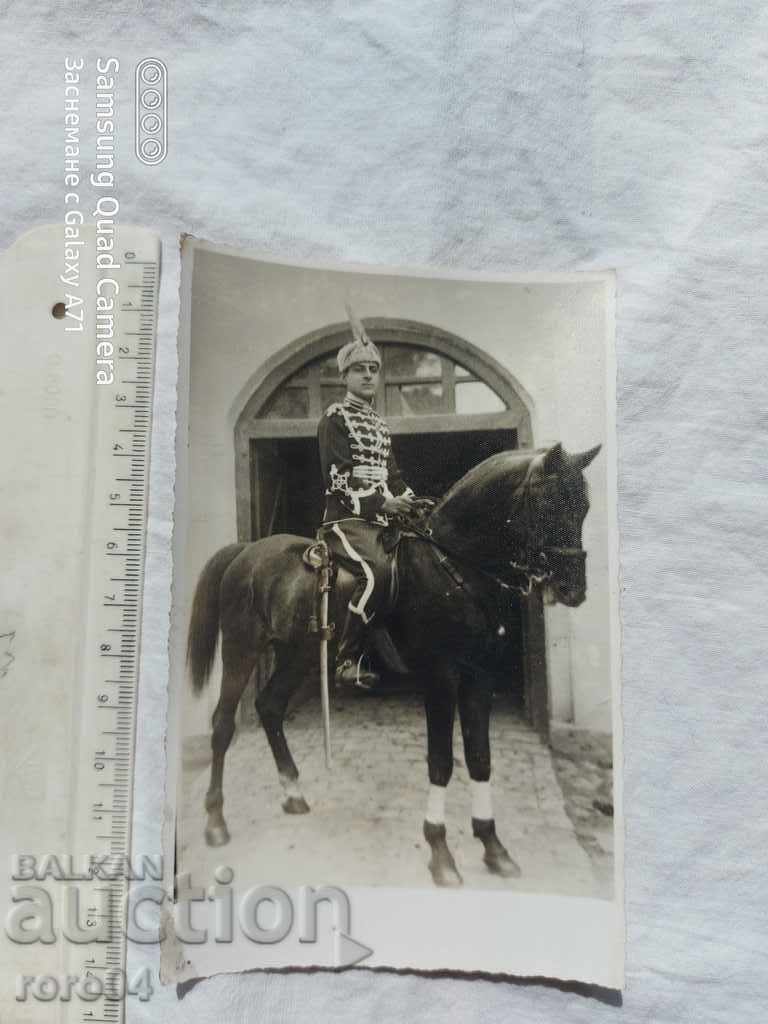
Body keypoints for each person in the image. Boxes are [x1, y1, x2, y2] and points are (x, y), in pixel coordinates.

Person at [317, 306, 415, 689]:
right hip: (345, 520)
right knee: (375, 573)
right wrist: (381, 504)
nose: (369, 375)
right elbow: (337, 477)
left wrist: (414, 502)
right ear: (345, 375)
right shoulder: (335, 417)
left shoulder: (379, 423)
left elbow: (393, 475)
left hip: (380, 518)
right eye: (361, 370)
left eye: (374, 370)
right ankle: (346, 659)